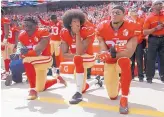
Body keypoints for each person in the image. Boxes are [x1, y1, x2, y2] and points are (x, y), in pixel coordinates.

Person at [96, 6, 138, 114]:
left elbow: (128, 52)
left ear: (124, 15)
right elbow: (101, 42)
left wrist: (110, 54)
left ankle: (124, 97)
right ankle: (119, 85)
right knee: (112, 96)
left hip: (121, 59)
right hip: (110, 62)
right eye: (113, 12)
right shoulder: (102, 26)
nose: (114, 14)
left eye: (118, 12)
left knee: (125, 61)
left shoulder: (132, 26)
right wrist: (104, 52)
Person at [60, 9, 103, 104]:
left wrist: (77, 33)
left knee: (78, 58)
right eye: (74, 21)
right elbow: (64, 54)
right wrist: (75, 55)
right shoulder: (64, 32)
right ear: (69, 23)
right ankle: (96, 80)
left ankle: (78, 93)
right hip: (77, 59)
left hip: (89, 58)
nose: (77, 23)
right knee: (82, 87)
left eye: (78, 21)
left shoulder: (87, 30)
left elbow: (79, 52)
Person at [18, 17, 67, 100]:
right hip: (35, 61)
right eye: (24, 25)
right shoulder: (22, 36)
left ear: (35, 26)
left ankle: (32, 89)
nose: (26, 28)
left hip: (46, 59)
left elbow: (38, 51)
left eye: (29, 25)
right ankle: (57, 80)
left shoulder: (42, 32)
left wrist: (25, 54)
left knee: (26, 60)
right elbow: (22, 51)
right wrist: (20, 54)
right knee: (40, 88)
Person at [143, 0, 164, 83]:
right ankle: (149, 77)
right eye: (158, 4)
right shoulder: (149, 17)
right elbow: (144, 32)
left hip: (163, 38)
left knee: (163, 58)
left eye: (161, 4)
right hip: (153, 39)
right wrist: (155, 29)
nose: (160, 5)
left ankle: (163, 76)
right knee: (151, 58)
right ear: (153, 6)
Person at [128, 6, 145, 81]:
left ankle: (140, 76)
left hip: (139, 43)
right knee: (130, 60)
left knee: (139, 60)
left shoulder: (141, 21)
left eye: (134, 12)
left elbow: (143, 32)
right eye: (131, 12)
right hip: (130, 45)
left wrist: (139, 40)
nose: (133, 14)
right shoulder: (127, 22)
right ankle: (131, 76)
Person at [1, 9, 11, 80]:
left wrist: (4, 42)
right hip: (1, 41)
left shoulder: (4, 19)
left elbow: (6, 33)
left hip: (5, 41)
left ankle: (7, 72)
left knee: (6, 57)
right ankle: (6, 70)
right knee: (4, 57)